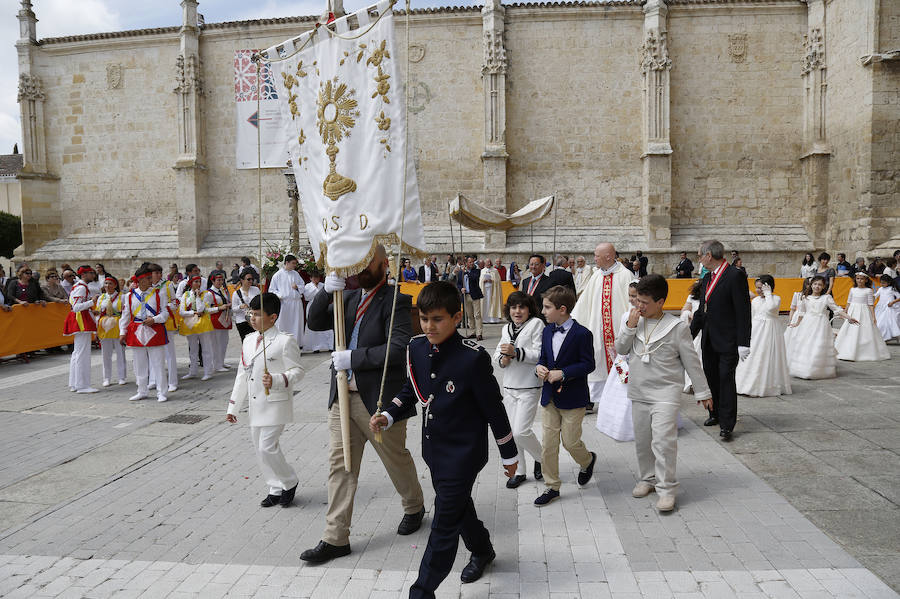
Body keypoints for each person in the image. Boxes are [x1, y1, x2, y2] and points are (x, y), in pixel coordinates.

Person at [369, 281, 519, 595]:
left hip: (465, 453)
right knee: (458, 507)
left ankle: (422, 591)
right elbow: (412, 390)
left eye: (437, 319)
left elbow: (494, 408)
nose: (429, 326)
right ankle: (482, 549)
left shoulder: (473, 358)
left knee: (443, 523)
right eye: (424, 319)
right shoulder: (417, 347)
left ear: (456, 316)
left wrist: (509, 454)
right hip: (434, 449)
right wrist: (389, 414)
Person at [301, 244, 425, 565]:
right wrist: (326, 293)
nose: (360, 270)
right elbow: (314, 323)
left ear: (385, 265)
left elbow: (397, 349)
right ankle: (336, 537)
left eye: (368, 264)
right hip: (342, 398)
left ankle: (414, 506)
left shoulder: (396, 300)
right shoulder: (348, 297)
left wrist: (353, 358)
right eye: (357, 265)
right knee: (340, 467)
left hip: (379, 401)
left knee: (395, 460)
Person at [615, 275, 711, 512]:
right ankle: (647, 479)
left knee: (663, 442)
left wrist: (703, 392)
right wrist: (629, 327)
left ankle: (667, 489)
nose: (639, 306)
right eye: (637, 300)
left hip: (666, 393)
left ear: (660, 302)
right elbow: (620, 349)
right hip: (638, 390)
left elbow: (692, 362)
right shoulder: (632, 319)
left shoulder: (677, 327)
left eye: (645, 302)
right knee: (643, 440)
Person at [226, 292, 303, 508]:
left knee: (267, 446)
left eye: (258, 315)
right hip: (255, 404)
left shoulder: (284, 341)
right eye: (251, 314)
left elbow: (298, 371)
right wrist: (233, 406)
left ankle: (289, 481)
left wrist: (278, 379)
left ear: (273, 317)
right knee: (260, 449)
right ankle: (274, 487)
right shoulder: (249, 340)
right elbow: (242, 374)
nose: (252, 318)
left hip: (275, 403)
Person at [533, 285, 596, 506]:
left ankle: (587, 460)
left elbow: (588, 364)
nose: (543, 311)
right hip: (550, 397)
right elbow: (543, 357)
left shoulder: (582, 334)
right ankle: (552, 486)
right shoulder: (547, 330)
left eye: (547, 307)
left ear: (562, 309)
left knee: (570, 441)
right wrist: (540, 368)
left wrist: (565, 373)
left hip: (573, 398)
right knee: (548, 444)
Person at [689, 240, 751, 442]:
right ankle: (714, 413)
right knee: (711, 379)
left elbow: (743, 311)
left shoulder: (734, 275)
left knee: (725, 380)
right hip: (709, 339)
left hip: (728, 340)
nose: (698, 259)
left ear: (708, 255)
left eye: (700, 255)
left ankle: (727, 423)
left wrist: (744, 342)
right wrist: (688, 336)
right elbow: (701, 311)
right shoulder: (707, 278)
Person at [570, 242, 634, 410]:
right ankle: (591, 400)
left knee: (621, 363)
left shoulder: (626, 275)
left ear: (608, 256)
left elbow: (633, 303)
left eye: (597, 255)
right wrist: (573, 321)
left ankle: (621, 400)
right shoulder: (597, 276)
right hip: (598, 332)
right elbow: (585, 303)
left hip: (618, 333)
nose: (595, 259)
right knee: (597, 363)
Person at [493, 291, 544, 488]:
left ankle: (543, 460)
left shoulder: (536, 324)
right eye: (513, 307)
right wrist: (502, 359)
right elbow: (498, 352)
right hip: (510, 386)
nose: (517, 311)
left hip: (529, 386)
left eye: (522, 307)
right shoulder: (506, 328)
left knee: (521, 432)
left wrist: (517, 353)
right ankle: (520, 471)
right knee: (512, 433)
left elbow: (540, 354)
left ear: (529, 309)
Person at [787, 275, 857, 379]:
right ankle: (805, 369)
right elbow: (801, 313)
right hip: (807, 324)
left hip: (821, 325)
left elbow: (836, 309)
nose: (817, 286)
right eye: (815, 284)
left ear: (824, 286)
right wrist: (796, 324)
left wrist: (848, 317)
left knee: (818, 345)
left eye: (820, 284)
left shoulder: (826, 297)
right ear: (811, 285)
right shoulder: (805, 298)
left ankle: (816, 370)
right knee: (807, 345)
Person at [595, 281, 639, 441]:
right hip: (623, 358)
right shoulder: (626, 315)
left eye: (634, 296)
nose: (631, 299)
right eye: (630, 295)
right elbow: (621, 337)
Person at [734, 275, 792, 396]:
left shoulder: (776, 298)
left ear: (768, 287)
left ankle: (766, 385)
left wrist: (768, 294)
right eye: (757, 288)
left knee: (767, 354)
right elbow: (752, 315)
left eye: (761, 288)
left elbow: (771, 308)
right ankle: (746, 384)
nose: (758, 290)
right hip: (756, 330)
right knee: (754, 354)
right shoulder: (755, 301)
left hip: (770, 330)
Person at [119, 265, 170, 402]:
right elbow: (125, 315)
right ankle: (142, 390)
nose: (151, 280)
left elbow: (165, 313)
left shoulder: (159, 294)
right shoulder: (129, 296)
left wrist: (155, 319)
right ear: (141, 280)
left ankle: (161, 392)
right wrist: (122, 332)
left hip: (155, 329)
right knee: (138, 363)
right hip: (136, 330)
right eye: (148, 278)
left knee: (158, 362)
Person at [834, 273, 890, 362]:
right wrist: (845, 312)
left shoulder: (868, 290)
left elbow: (871, 305)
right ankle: (847, 350)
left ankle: (864, 351)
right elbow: (848, 302)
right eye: (858, 278)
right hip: (853, 311)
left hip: (864, 312)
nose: (859, 280)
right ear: (855, 279)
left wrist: (874, 317)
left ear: (866, 280)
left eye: (862, 279)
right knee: (849, 329)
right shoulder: (852, 290)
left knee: (864, 330)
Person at [63, 266, 99, 393]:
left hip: (80, 320)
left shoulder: (78, 286)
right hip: (81, 321)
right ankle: (82, 385)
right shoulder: (82, 287)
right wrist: (91, 302)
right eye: (91, 273)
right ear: (84, 274)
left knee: (77, 353)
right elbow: (76, 307)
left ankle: (74, 383)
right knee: (82, 354)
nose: (93, 275)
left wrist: (90, 307)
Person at [149, 264, 179, 394]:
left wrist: (166, 307)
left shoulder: (167, 285)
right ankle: (153, 380)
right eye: (156, 272)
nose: (158, 275)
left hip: (166, 321)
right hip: (152, 322)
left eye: (159, 272)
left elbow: (175, 302)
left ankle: (172, 382)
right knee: (153, 351)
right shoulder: (147, 286)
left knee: (169, 353)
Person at [179, 274, 215, 381]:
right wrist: (193, 312)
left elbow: (201, 309)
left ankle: (208, 371)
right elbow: (181, 312)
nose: (198, 284)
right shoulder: (185, 295)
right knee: (193, 349)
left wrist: (198, 296)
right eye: (196, 282)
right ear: (191, 283)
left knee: (206, 348)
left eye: (200, 282)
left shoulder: (206, 294)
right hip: (190, 324)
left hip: (203, 324)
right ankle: (193, 371)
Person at [94, 276, 127, 387]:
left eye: (110, 284)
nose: (107, 286)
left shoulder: (122, 297)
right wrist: (96, 330)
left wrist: (124, 329)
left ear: (115, 285)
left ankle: (121, 376)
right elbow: (98, 314)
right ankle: (106, 377)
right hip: (104, 326)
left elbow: (124, 313)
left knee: (120, 352)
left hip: (117, 325)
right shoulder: (101, 298)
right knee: (105, 353)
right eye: (106, 283)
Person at [268, 255, 305, 349]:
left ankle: (296, 345)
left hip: (296, 303)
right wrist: (279, 295)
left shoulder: (296, 274)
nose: (294, 265)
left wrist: (297, 287)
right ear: (287, 262)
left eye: (295, 263)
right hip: (285, 303)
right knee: (284, 324)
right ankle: (282, 346)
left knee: (296, 324)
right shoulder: (277, 275)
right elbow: (271, 290)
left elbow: (303, 285)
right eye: (293, 263)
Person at [205, 273, 233, 372]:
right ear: (212, 281)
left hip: (224, 319)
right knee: (216, 344)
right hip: (215, 320)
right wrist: (219, 308)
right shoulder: (209, 293)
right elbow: (206, 309)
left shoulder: (223, 290)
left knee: (224, 342)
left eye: (222, 280)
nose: (221, 282)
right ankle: (216, 364)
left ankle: (221, 361)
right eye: (218, 280)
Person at [680, 281, 704, 393]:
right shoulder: (692, 297)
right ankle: (691, 383)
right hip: (695, 331)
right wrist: (689, 315)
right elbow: (684, 310)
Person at [302, 271, 332, 352]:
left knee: (325, 324)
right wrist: (315, 289)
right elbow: (307, 297)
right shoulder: (307, 286)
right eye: (314, 278)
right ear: (311, 278)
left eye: (317, 278)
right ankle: (315, 346)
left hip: (323, 306)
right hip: (312, 305)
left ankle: (329, 345)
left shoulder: (323, 285)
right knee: (313, 325)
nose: (316, 279)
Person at [456, 255, 484, 340]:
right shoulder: (461, 272)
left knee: (477, 315)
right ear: (466, 263)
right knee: (469, 315)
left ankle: (479, 333)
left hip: (475, 295)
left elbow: (474, 278)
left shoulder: (477, 271)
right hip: (466, 295)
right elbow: (459, 283)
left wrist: (466, 272)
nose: (472, 263)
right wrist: (461, 288)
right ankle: (473, 331)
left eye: (472, 262)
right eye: (470, 262)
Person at [783, 278, 811, 354]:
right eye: (808, 284)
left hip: (809, 318)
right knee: (794, 336)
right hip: (797, 317)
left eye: (812, 284)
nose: (810, 286)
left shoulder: (814, 297)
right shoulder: (797, 294)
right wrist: (790, 320)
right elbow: (792, 308)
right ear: (805, 285)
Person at [232, 268, 260, 342]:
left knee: (256, 341)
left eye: (252, 279)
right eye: (248, 279)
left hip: (255, 320)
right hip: (242, 321)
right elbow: (233, 309)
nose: (251, 281)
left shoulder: (256, 290)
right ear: (242, 280)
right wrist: (240, 306)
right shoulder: (236, 293)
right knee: (246, 342)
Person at [874, 275, 900, 342]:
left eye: (884, 283)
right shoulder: (880, 289)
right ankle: (883, 337)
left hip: (888, 307)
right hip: (880, 308)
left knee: (886, 323)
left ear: (888, 283)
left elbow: (899, 297)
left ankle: (886, 337)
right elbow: (875, 296)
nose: (882, 284)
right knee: (879, 322)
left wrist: (893, 302)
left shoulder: (892, 289)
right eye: (881, 283)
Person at [479, 259, 503, 324]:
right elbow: (480, 281)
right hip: (485, 290)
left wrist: (492, 280)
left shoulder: (495, 271)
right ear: (485, 263)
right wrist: (483, 281)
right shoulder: (482, 271)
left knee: (493, 303)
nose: (489, 263)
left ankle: (493, 319)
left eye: (490, 262)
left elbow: (498, 280)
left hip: (493, 290)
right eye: (487, 262)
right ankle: (485, 319)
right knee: (485, 303)